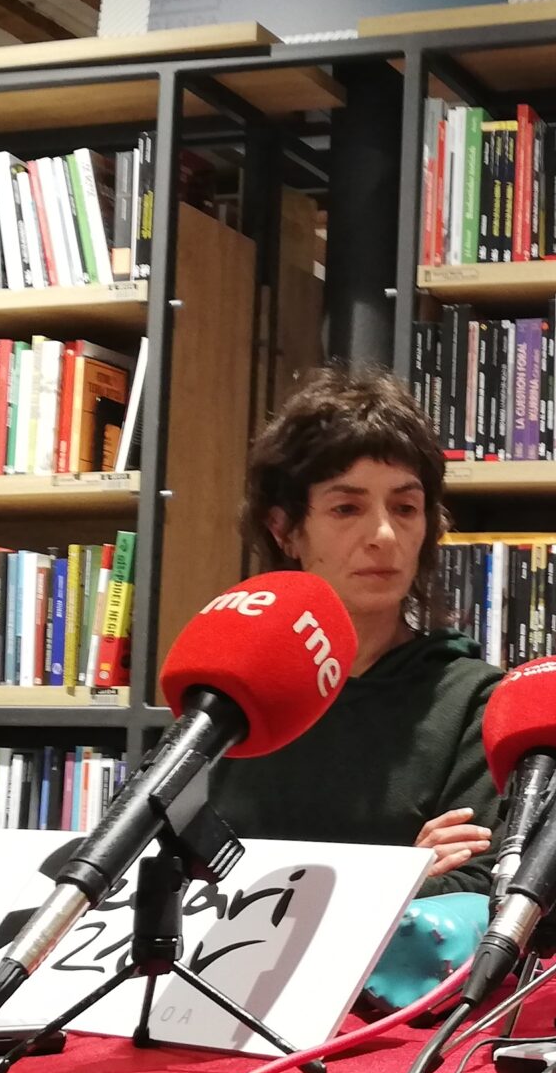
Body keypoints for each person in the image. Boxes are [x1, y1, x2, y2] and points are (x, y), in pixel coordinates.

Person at [209, 367, 499, 897]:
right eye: (347, 508)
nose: (384, 534)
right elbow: (160, 870)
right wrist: (398, 873)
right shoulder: (229, 694)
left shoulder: (474, 701)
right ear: (284, 530)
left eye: (405, 508)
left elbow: (474, 888)